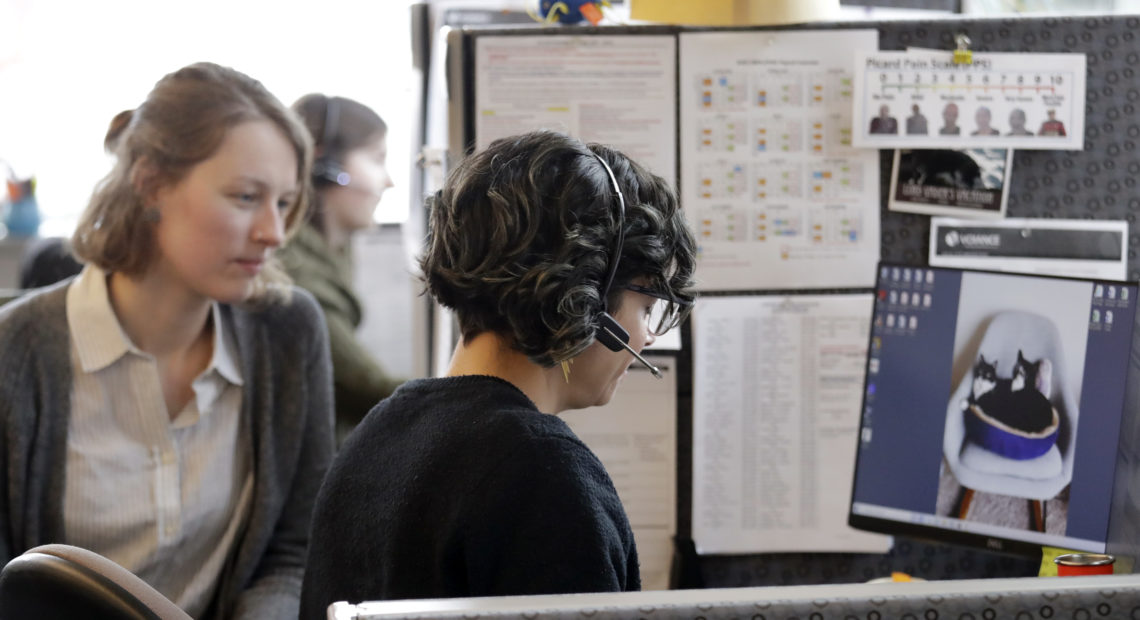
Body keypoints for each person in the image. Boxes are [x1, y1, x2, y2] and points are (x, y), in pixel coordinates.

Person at [300, 131, 697, 615]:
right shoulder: (544, 474)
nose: (647, 337)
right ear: (587, 301)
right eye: (646, 306)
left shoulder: (377, 433)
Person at [0, 62, 334, 619]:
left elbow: (293, 551)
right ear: (151, 182)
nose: (273, 233)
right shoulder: (16, 352)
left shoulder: (289, 331)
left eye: (283, 203)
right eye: (247, 197)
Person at [279, 94, 404, 441]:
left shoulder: (331, 249)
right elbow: (366, 389)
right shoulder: (295, 272)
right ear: (328, 168)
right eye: (377, 159)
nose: (389, 181)